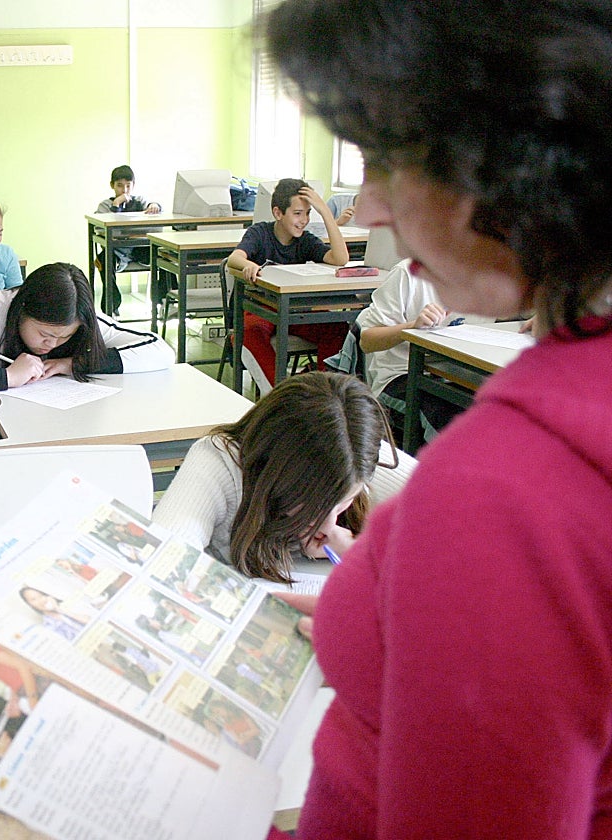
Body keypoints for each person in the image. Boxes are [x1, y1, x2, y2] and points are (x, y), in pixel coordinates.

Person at [262, 1, 612, 836]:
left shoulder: (496, 497)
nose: (368, 208)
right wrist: (391, 607)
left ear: (515, 158)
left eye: (386, 159)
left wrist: (445, 582)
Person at [152, 372, 412, 583]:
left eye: (343, 502)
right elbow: (162, 561)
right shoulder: (219, 460)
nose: (328, 524)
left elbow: (439, 511)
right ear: (275, 472)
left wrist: (358, 549)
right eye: (313, 503)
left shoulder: (354, 452)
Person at [226, 178, 350, 383]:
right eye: (298, 213)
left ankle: (320, 387)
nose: (304, 220)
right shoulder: (260, 233)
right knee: (249, 333)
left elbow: (340, 259)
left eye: (308, 213)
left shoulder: (305, 240)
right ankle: (280, 390)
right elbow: (234, 258)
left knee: (337, 328)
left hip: (293, 309)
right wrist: (248, 265)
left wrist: (325, 212)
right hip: (260, 308)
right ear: (278, 213)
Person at [0, 262, 174, 390]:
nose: (52, 344)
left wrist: (73, 364)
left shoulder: (77, 316)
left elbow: (160, 351)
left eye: (65, 336)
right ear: (22, 310)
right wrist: (8, 376)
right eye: (44, 334)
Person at [354, 257, 471, 438]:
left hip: (461, 376)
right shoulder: (408, 273)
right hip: (401, 375)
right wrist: (412, 326)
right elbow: (367, 341)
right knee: (451, 422)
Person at [94, 164, 163, 315]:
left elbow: (156, 215)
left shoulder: (140, 201)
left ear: (133, 185)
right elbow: (103, 229)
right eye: (119, 186)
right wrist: (116, 206)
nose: (124, 190)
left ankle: (164, 301)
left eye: (128, 186)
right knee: (103, 260)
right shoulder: (105, 205)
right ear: (112, 185)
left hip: (139, 249)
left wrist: (155, 205)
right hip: (117, 251)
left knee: (164, 255)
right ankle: (111, 306)